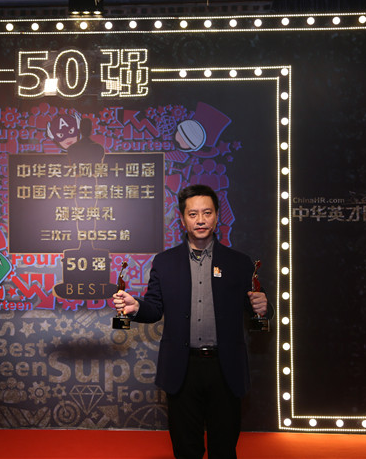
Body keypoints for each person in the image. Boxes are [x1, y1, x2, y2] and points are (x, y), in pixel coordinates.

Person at [113, 184, 272, 459]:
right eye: (193, 214)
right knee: (186, 450)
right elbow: (154, 309)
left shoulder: (239, 263)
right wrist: (136, 307)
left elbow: (257, 308)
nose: (200, 220)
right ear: (182, 218)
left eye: (207, 213)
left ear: (217, 216)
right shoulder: (164, 263)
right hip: (182, 369)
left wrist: (265, 308)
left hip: (225, 369)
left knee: (224, 450)